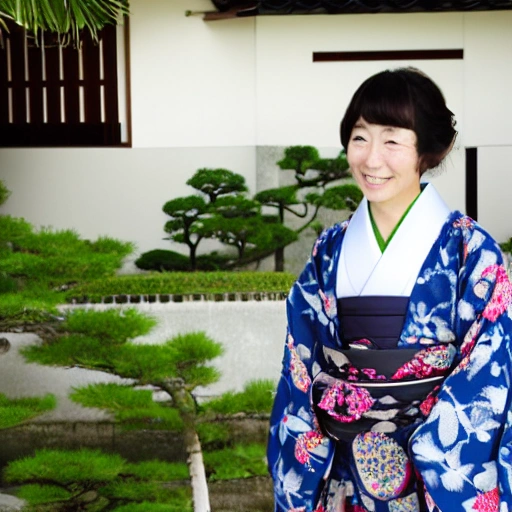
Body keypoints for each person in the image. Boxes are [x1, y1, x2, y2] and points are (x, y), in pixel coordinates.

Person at [267, 67, 512, 512]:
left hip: (430, 484)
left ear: (430, 150)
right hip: (341, 476)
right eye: (360, 137)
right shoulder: (330, 250)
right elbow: (300, 363)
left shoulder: (470, 253)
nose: (371, 159)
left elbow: (488, 376)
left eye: (392, 140)